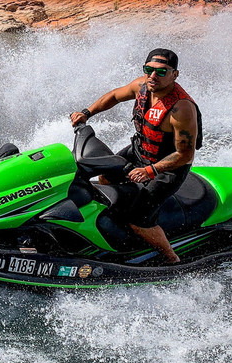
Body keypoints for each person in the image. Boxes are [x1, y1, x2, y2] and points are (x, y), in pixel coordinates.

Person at [69, 48, 201, 264]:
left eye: (161, 72)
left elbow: (185, 155)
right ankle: (113, 228)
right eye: (149, 70)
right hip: (140, 151)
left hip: (167, 168)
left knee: (138, 216)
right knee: (106, 176)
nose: (152, 76)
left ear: (174, 75)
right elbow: (113, 96)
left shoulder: (181, 109)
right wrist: (86, 113)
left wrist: (150, 170)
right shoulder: (142, 86)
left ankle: (171, 259)